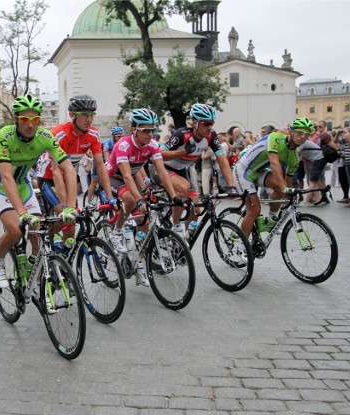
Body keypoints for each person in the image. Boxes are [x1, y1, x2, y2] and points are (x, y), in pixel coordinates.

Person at [0, 94, 78, 299]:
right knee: (16, 229)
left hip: (23, 184)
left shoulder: (44, 137)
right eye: (25, 119)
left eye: (35, 119)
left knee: (38, 230)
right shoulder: (5, 135)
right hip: (0, 185)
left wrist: (70, 206)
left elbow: (69, 170)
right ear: (16, 119)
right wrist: (21, 212)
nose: (30, 124)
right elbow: (7, 177)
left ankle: (32, 269)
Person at [105, 108, 179, 286]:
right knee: (131, 199)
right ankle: (116, 231)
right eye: (145, 130)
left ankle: (138, 263)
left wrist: (174, 196)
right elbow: (127, 176)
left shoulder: (152, 145)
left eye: (152, 130)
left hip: (131, 178)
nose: (150, 134)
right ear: (135, 130)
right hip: (114, 178)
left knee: (145, 226)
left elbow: (162, 172)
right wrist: (139, 199)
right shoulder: (122, 145)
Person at [36, 94, 115, 245]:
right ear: (72, 115)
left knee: (71, 227)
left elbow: (100, 165)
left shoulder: (93, 134)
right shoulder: (60, 134)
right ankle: (43, 235)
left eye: (92, 115)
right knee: (67, 216)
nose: (89, 119)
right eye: (84, 115)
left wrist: (109, 196)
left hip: (69, 177)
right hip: (49, 178)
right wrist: (65, 205)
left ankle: (65, 260)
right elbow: (56, 171)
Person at [160, 103, 237, 237]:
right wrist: (183, 152)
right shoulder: (181, 134)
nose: (210, 127)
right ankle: (176, 227)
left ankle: (182, 245)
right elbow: (160, 154)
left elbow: (223, 161)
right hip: (163, 167)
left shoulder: (211, 136)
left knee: (197, 208)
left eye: (211, 123)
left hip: (181, 169)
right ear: (195, 123)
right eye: (206, 124)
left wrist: (231, 186)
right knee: (184, 187)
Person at [233, 117, 314, 238]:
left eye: (307, 135)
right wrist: (284, 188)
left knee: (280, 187)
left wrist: (290, 193)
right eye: (300, 132)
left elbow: (288, 182)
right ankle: (242, 246)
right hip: (243, 170)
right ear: (291, 131)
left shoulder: (295, 157)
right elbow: (274, 163)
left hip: (258, 171)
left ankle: (272, 219)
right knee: (254, 210)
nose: (303, 136)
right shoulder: (276, 137)